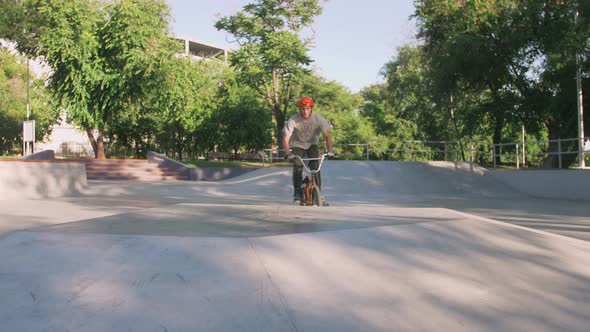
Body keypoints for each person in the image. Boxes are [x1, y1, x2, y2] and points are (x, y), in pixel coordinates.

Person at [283, 96, 334, 202]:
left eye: (307, 109)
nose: (305, 111)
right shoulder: (293, 120)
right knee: (298, 164)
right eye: (303, 109)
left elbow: (327, 136)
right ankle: (297, 192)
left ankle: (318, 192)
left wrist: (330, 150)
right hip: (297, 144)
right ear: (299, 109)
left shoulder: (319, 119)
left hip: (312, 144)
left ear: (311, 108)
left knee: (316, 166)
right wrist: (288, 152)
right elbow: (286, 138)